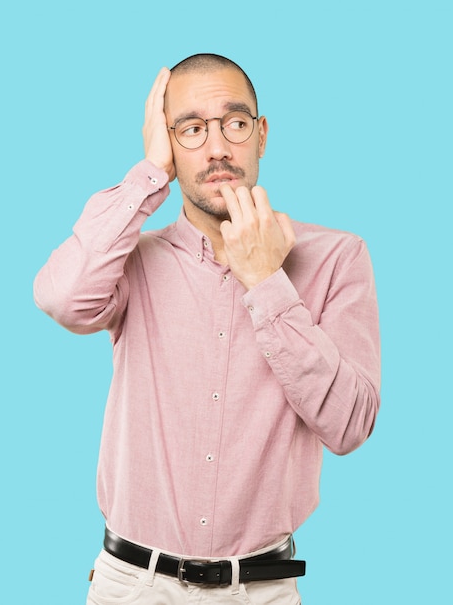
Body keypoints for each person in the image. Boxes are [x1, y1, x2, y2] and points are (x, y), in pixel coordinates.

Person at [34, 53, 381, 604]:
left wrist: (266, 281)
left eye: (235, 123)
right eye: (191, 130)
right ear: (169, 143)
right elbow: (62, 298)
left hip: (261, 590)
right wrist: (150, 173)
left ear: (261, 135)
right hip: (133, 587)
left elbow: (351, 424)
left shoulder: (338, 257)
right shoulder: (133, 260)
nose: (217, 147)